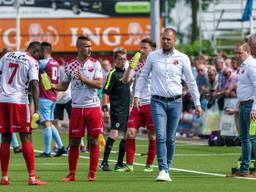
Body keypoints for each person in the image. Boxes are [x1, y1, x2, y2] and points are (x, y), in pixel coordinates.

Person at [134, 28, 202, 181]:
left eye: (168, 39)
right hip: (157, 101)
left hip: (176, 102)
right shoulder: (153, 56)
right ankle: (163, 169)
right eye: (163, 39)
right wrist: (137, 95)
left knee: (171, 138)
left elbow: (191, 81)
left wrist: (197, 103)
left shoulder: (183, 57)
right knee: (161, 135)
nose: (165, 41)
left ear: (174, 40)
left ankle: (168, 166)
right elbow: (143, 76)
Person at [52, 36, 103, 182]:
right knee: (74, 141)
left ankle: (92, 173)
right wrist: (52, 86)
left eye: (90, 46)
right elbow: (64, 86)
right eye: (87, 46)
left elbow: (99, 84)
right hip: (76, 108)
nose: (90, 49)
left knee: (93, 141)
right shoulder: (70, 65)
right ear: (79, 47)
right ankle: (71, 174)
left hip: (92, 107)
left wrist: (84, 79)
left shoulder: (95, 64)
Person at [0, 41, 47, 185]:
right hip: (19, 101)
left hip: (2, 100)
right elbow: (34, 84)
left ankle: (5, 177)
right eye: (39, 56)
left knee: (5, 137)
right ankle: (32, 177)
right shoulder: (32, 61)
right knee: (26, 136)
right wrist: (37, 108)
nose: (39, 59)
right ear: (36, 52)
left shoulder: (7, 55)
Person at [122, 37, 156, 172]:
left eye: (144, 48)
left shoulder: (157, 64)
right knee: (130, 133)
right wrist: (130, 67)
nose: (141, 51)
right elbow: (125, 80)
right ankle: (129, 165)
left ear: (152, 50)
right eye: (140, 48)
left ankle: (149, 164)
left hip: (152, 103)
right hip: (137, 103)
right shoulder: (139, 65)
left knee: (152, 135)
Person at [100, 47, 130, 172]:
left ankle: (119, 163)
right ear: (115, 60)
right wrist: (105, 109)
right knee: (114, 134)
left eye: (124, 59)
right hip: (117, 109)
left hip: (127, 109)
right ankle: (104, 162)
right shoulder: (112, 74)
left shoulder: (126, 73)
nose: (122, 61)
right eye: (120, 59)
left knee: (126, 136)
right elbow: (105, 92)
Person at [37, 42, 66, 157]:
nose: (38, 53)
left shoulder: (43, 63)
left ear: (45, 51)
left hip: (45, 95)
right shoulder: (55, 63)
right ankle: (61, 147)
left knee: (46, 123)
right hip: (53, 95)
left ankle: (47, 151)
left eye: (39, 51)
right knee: (50, 122)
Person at [233, 41, 256, 177]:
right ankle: (246, 166)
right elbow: (243, 87)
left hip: (250, 105)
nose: (237, 55)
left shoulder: (251, 65)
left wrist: (254, 108)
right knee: (246, 138)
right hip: (244, 105)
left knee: (248, 138)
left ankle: (245, 167)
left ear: (247, 52)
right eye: (236, 53)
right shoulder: (243, 66)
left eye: (239, 52)